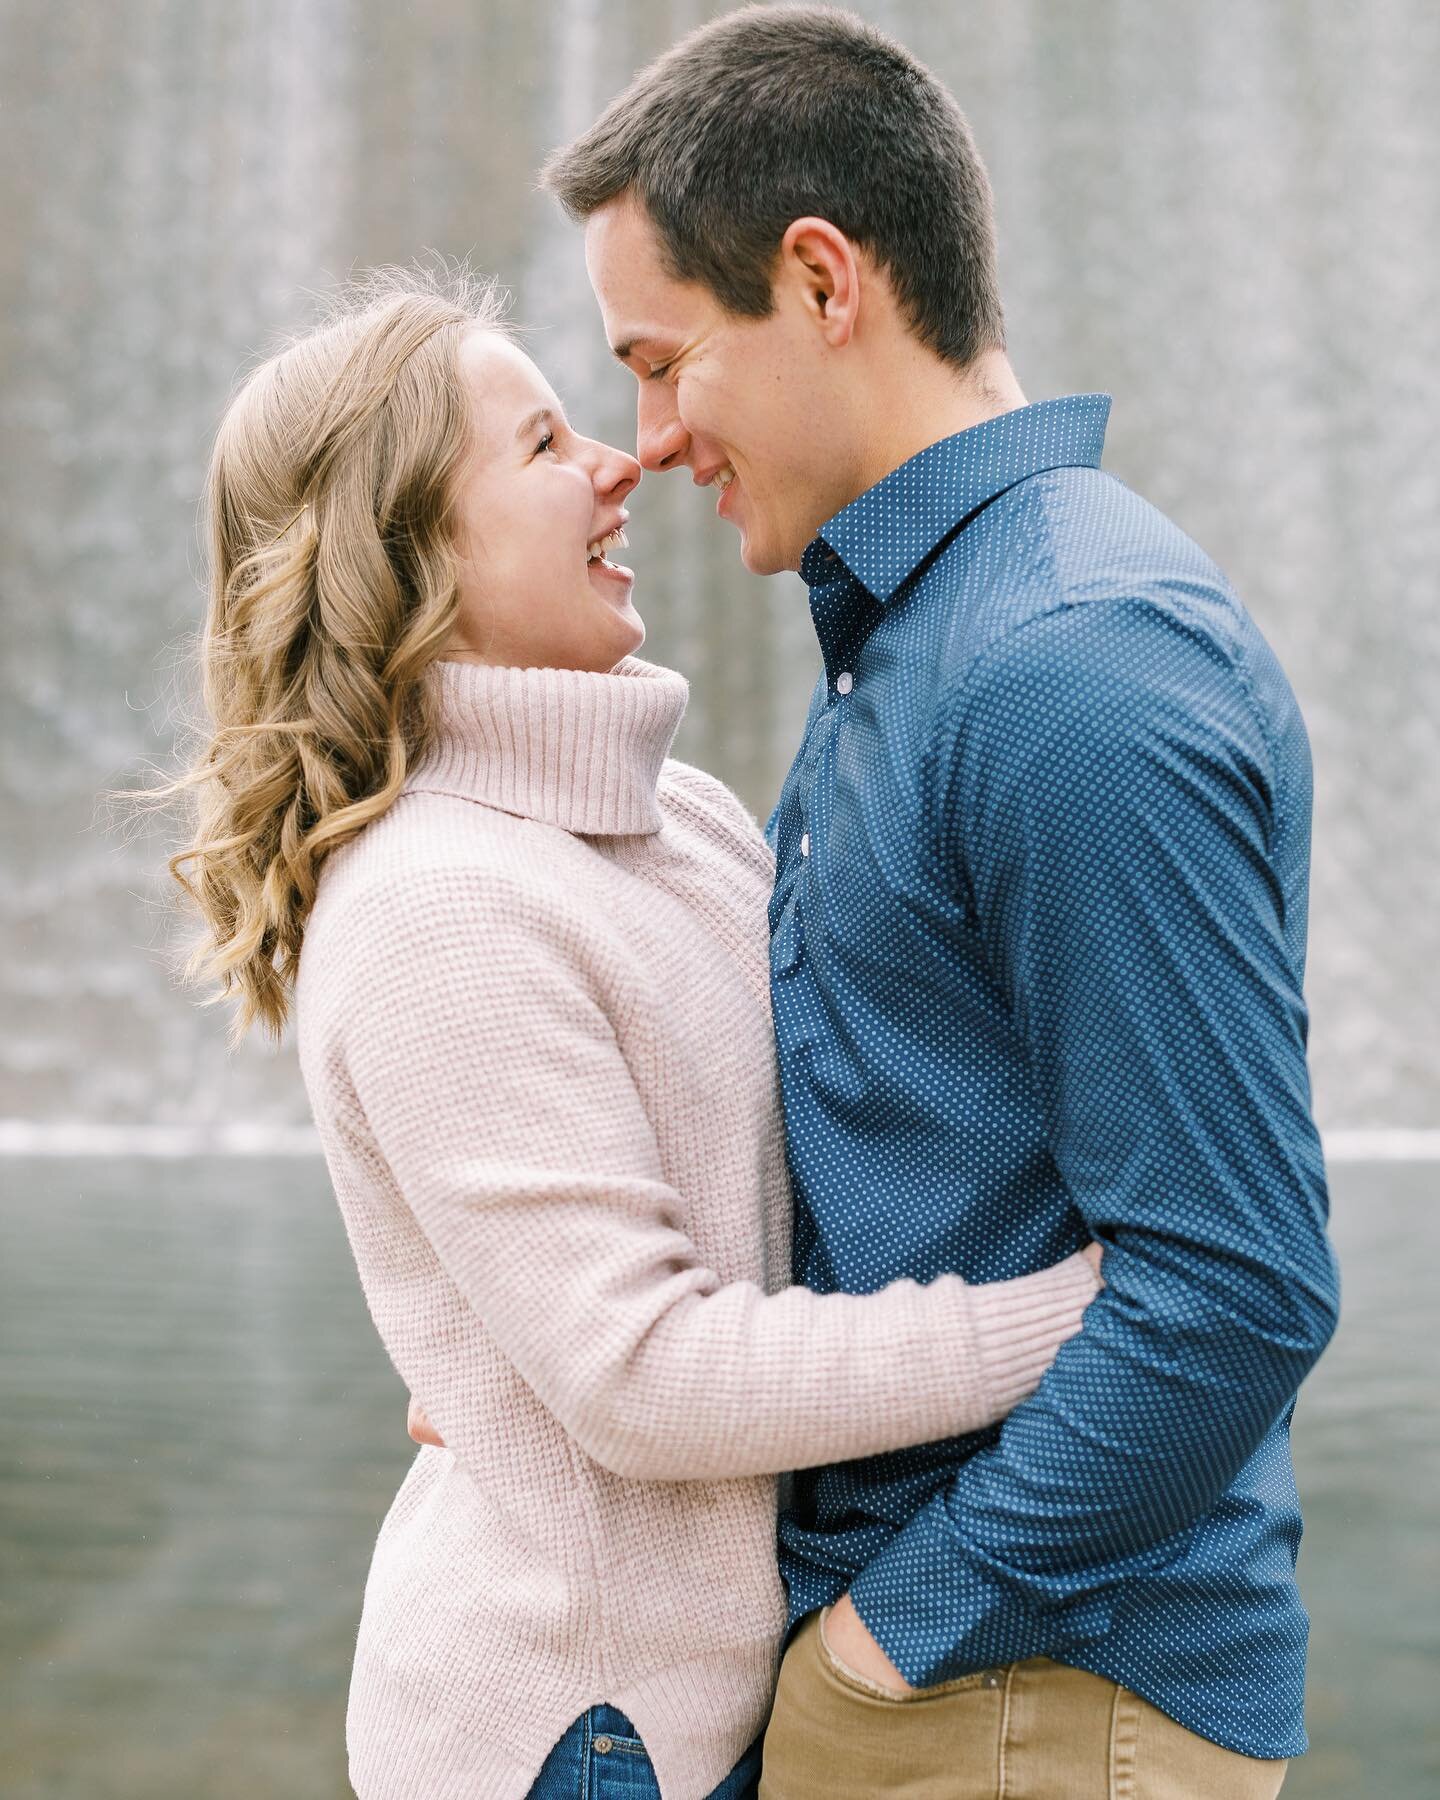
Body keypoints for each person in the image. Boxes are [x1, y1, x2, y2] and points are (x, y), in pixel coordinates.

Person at [162, 264, 1104, 1800]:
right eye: (541, 450)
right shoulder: (437, 906)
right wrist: (1076, 1316)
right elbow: (648, 1377)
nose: (624, 463)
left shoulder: (687, 818)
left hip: (719, 1697)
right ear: (404, 558)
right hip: (579, 1736)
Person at [535, 6, 1341, 1797]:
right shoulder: (925, 639)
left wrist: (889, 1644)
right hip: (961, 1693)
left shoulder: (1066, 670)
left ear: (824, 280)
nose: (650, 438)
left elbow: (1236, 1283)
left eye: (665, 362)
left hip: (1021, 1697)